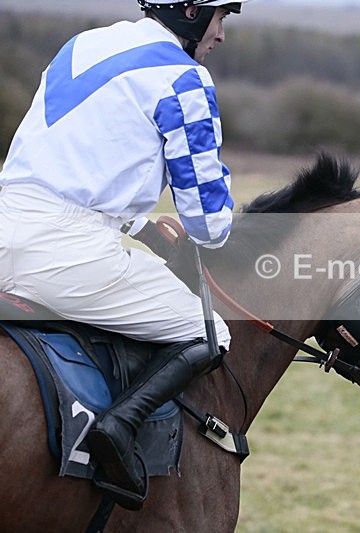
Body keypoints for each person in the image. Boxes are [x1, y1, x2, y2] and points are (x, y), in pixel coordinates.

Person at [0, 0, 249, 504]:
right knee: (210, 330)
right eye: (220, 17)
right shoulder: (185, 79)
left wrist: (143, 228)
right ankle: (118, 428)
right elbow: (208, 225)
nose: (221, 34)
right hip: (66, 253)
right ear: (189, 12)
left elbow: (80, 159)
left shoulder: (81, 46)